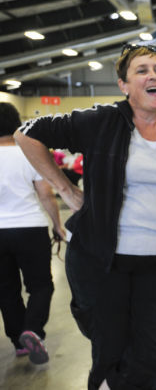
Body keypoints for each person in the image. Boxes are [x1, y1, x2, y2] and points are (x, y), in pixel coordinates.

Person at [14, 44, 156, 389]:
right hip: (102, 261)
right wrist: (68, 191)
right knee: (111, 348)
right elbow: (26, 134)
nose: (153, 76)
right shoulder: (101, 121)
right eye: (142, 70)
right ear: (124, 85)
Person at [0, 102, 65, 365]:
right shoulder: (28, 152)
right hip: (30, 227)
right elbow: (46, 194)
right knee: (40, 285)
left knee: (6, 290)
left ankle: (19, 341)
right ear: (17, 123)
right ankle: (33, 330)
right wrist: (58, 224)